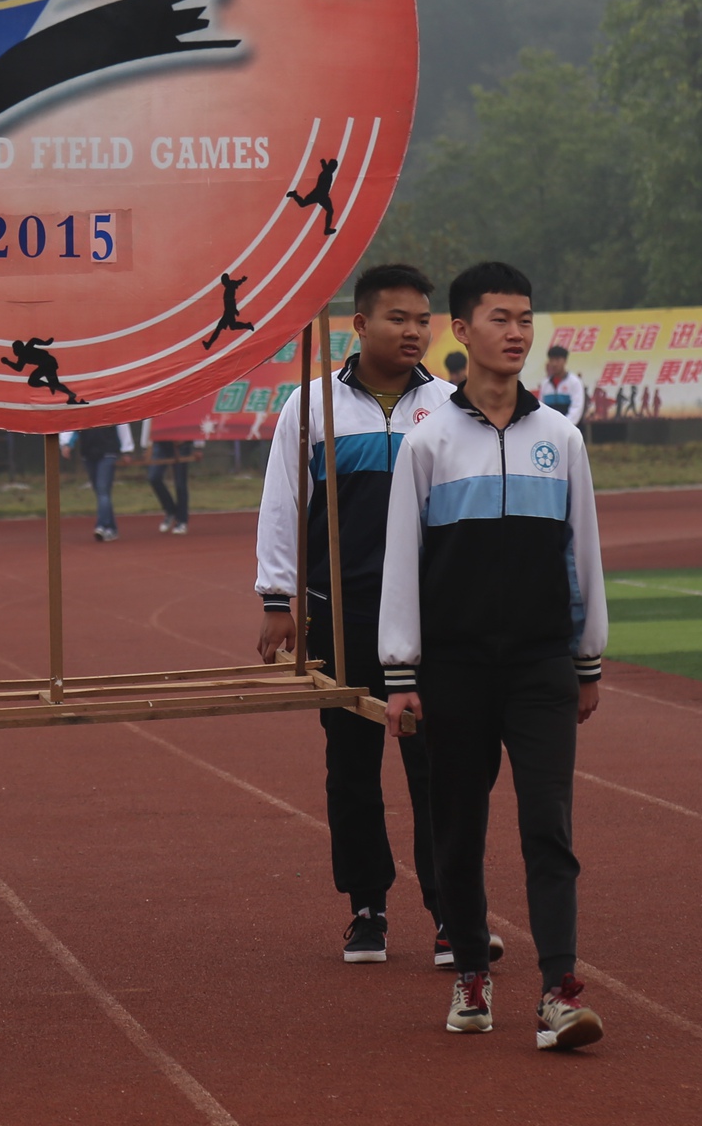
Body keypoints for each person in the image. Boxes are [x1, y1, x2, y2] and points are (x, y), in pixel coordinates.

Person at [379, 261, 605, 1051]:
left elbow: (584, 555)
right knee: (458, 827)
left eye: (525, 319)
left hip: (541, 667)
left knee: (549, 826)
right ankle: (471, 973)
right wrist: (401, 673)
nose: (516, 333)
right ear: (462, 330)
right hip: (455, 670)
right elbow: (401, 564)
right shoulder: (427, 443)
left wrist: (587, 658)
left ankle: (558, 991)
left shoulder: (561, 438)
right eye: (500, 318)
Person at [253, 265, 468, 967]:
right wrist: (278, 599)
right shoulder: (311, 406)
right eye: (398, 318)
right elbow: (283, 502)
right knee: (351, 766)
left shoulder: (451, 406)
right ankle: (367, 907)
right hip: (339, 611)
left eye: (422, 320)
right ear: (360, 324)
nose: (414, 332)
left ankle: (449, 910)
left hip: (428, 614)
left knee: (435, 765)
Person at [61, 421, 133, 541]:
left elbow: (122, 424)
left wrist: (127, 450)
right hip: (88, 453)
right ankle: (111, 528)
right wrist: (66, 444)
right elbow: (73, 422)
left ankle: (102, 526)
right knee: (101, 492)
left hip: (108, 452)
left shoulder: (111, 408)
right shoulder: (81, 409)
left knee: (102, 489)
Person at [144, 423, 197, 534]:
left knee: (180, 483)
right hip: (160, 441)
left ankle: (182, 520)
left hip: (182, 441)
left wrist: (199, 445)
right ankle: (170, 511)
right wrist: (146, 444)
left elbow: (194, 417)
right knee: (154, 477)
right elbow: (149, 419)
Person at [536, 345, 586, 429]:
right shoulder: (545, 383)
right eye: (551, 360)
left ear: (565, 361)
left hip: (571, 429)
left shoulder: (575, 382)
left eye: (557, 360)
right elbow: (542, 407)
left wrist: (565, 427)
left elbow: (576, 408)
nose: (554, 364)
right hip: (550, 429)